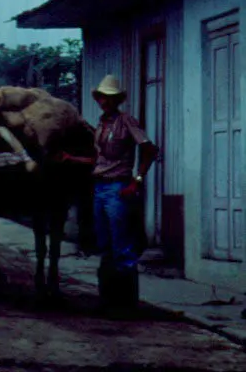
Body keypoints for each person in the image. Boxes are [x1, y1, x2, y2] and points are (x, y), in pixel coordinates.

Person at [91, 74, 158, 314]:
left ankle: (127, 305)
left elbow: (149, 149)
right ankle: (108, 301)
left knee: (122, 246)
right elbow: (99, 157)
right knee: (105, 245)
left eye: (110, 98)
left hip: (118, 187)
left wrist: (136, 180)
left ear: (117, 99)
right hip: (99, 187)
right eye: (102, 97)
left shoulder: (126, 121)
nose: (105, 102)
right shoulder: (100, 124)